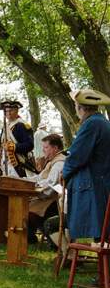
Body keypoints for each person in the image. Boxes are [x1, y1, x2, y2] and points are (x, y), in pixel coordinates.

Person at [62, 88, 110, 242]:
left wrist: (64, 174)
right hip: (101, 181)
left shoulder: (92, 123)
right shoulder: (101, 122)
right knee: (104, 231)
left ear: (79, 107)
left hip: (95, 184)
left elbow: (77, 156)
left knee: (101, 231)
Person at [27, 134, 66, 243]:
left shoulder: (59, 163)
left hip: (54, 201)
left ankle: (31, 238)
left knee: (26, 210)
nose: (43, 150)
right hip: (48, 198)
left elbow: (51, 185)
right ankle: (29, 237)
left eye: (46, 147)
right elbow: (39, 178)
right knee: (24, 206)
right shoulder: (53, 161)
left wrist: (33, 187)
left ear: (55, 148)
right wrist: (23, 180)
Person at [0, 100, 35, 178]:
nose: (8, 113)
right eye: (6, 111)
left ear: (17, 111)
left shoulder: (22, 125)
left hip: (18, 164)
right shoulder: (5, 126)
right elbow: (0, 146)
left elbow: (29, 145)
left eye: (11, 110)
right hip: (4, 163)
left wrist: (13, 147)